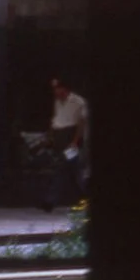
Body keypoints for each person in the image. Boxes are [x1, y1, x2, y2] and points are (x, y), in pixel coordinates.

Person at [45, 78, 90, 211]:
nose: (55, 92)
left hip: (71, 137)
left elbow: (81, 123)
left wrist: (75, 141)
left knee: (63, 168)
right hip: (60, 137)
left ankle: (50, 201)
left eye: (57, 89)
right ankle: (83, 197)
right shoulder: (57, 102)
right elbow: (56, 119)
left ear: (64, 89)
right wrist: (51, 135)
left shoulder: (78, 101)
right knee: (70, 169)